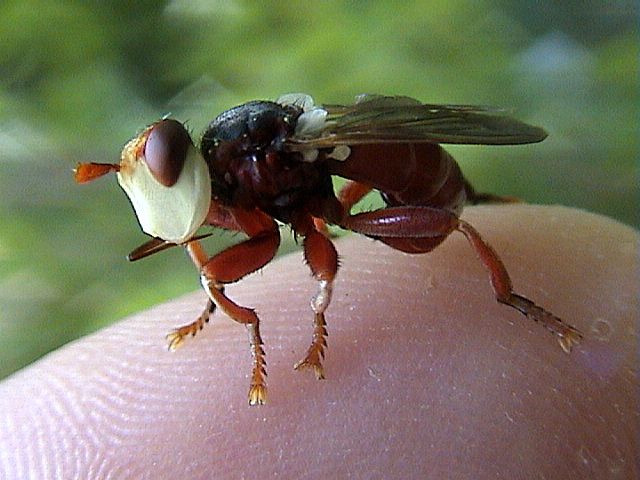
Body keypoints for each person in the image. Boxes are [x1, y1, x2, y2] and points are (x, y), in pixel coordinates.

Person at [0, 205, 636, 478]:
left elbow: (316, 236)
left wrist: (318, 314)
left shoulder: (272, 163)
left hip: (397, 192)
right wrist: (222, 305)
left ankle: (511, 295)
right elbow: (221, 248)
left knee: (453, 224)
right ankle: (244, 324)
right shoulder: (233, 201)